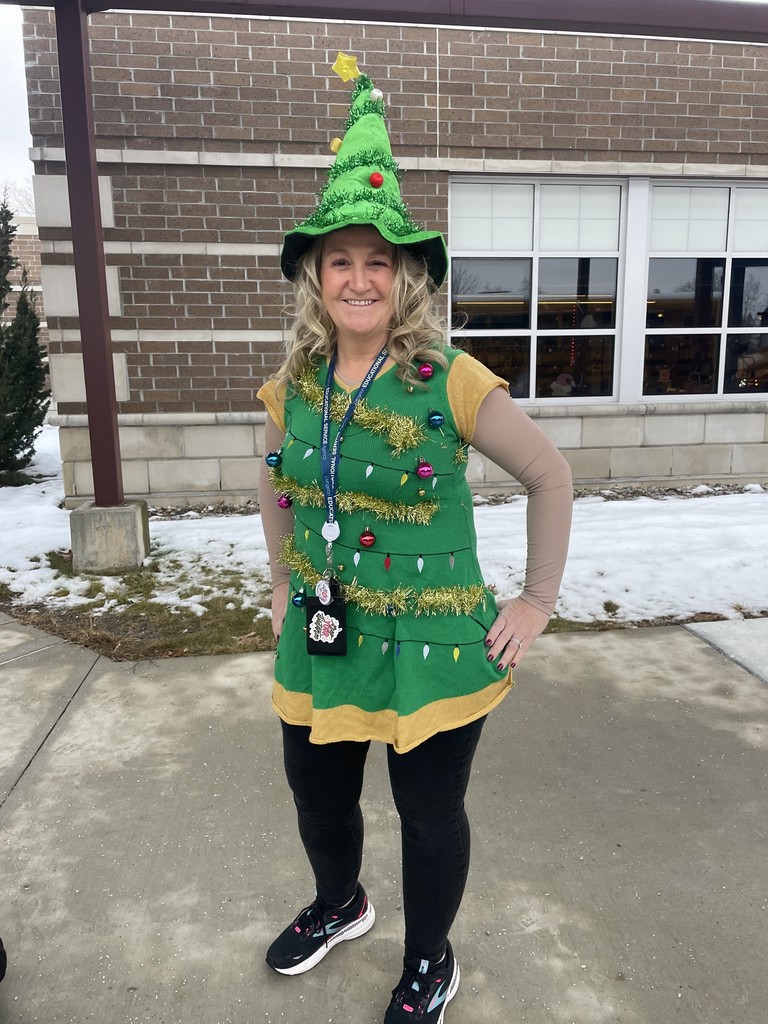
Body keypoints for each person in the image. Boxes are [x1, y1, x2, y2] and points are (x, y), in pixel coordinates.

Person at [257, 55, 572, 1023]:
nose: (358, 276)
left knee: (429, 813)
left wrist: (534, 600)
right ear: (317, 273)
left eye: (378, 259)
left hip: (431, 644)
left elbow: (551, 476)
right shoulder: (294, 386)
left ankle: (430, 958)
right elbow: (273, 482)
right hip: (327, 632)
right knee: (316, 790)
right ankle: (341, 901)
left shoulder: (452, 379)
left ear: (407, 276)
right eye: (341, 258)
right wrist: (280, 580)